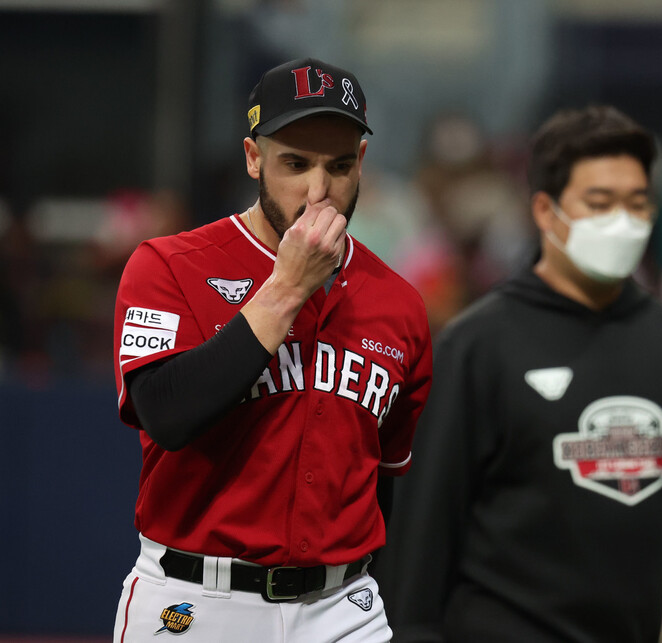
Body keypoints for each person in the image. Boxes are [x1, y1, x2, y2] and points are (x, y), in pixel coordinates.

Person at [374, 105, 662, 643]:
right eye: (600, 203)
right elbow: (422, 526)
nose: (621, 221)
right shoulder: (478, 348)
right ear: (547, 212)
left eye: (637, 203)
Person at [111, 57, 432, 642]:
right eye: (295, 163)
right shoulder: (168, 266)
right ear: (254, 158)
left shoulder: (399, 304)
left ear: (361, 163)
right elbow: (166, 416)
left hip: (344, 606)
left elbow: (384, 478)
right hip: (195, 601)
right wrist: (286, 288)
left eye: (338, 166)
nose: (318, 190)